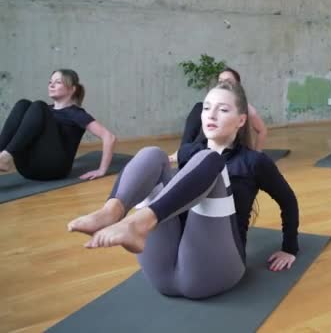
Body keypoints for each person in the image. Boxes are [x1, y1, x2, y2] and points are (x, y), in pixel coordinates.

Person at [67, 81, 299, 299]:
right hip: (164, 270)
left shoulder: (253, 162)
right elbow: (150, 169)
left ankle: (138, 224)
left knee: (209, 159)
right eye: (207, 107)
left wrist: (290, 248)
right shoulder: (187, 152)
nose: (212, 114)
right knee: (152, 154)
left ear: (241, 121)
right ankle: (111, 212)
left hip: (216, 269)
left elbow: (288, 200)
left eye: (223, 110)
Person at [0, 69, 116, 180]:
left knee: (38, 106)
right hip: (26, 169)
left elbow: (109, 137)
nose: (51, 85)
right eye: (50, 82)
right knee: (23, 104)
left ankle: (5, 156)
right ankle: (1, 157)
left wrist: (101, 170)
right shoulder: (43, 112)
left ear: (72, 89)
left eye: (58, 82)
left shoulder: (75, 113)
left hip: (54, 170)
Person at [169, 67, 267, 162]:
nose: (224, 84)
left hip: (232, 148)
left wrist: (257, 152)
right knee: (199, 107)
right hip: (205, 148)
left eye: (228, 81)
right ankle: (182, 150)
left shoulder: (245, 108)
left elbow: (262, 130)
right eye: (220, 81)